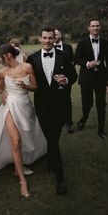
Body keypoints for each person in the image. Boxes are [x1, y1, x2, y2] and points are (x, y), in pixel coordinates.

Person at [0, 44, 46, 197]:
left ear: (12, 54)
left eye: (7, 55)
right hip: (9, 106)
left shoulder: (27, 67)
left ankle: (17, 166)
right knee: (16, 141)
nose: (6, 58)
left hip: (25, 105)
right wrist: (0, 93)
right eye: (3, 56)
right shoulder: (2, 72)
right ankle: (22, 181)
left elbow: (36, 86)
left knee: (27, 134)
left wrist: (26, 86)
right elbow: (0, 88)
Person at [27, 28, 77, 195]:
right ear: (40, 39)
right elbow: (26, 79)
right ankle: (50, 161)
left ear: (54, 39)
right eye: (45, 38)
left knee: (53, 139)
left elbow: (74, 76)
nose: (48, 41)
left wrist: (66, 79)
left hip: (59, 105)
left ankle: (60, 179)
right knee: (50, 137)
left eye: (51, 38)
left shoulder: (65, 56)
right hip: (41, 106)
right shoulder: (31, 59)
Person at [74, 19, 108, 139]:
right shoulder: (82, 43)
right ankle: (84, 118)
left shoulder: (105, 42)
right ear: (88, 28)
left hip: (100, 78)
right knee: (86, 104)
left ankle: (101, 129)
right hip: (86, 79)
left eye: (97, 26)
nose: (95, 28)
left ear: (100, 27)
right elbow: (76, 59)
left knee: (101, 104)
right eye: (93, 26)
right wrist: (88, 64)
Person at [54, 29, 76, 133]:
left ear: (60, 35)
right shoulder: (50, 47)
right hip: (54, 80)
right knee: (56, 101)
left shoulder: (68, 47)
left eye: (56, 34)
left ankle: (68, 123)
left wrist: (66, 77)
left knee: (67, 100)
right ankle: (60, 121)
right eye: (53, 34)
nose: (54, 36)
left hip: (66, 79)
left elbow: (72, 62)